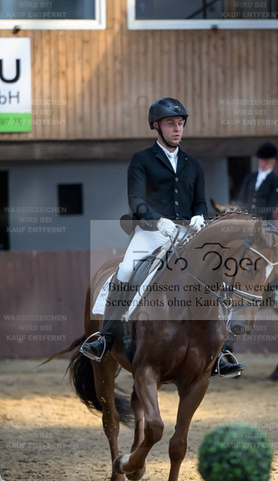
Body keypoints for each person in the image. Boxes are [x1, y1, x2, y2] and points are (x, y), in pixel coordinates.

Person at [81, 97, 244, 377]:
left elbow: (199, 201)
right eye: (171, 124)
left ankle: (221, 351)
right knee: (126, 269)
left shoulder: (193, 164)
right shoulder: (142, 160)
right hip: (152, 232)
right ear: (156, 126)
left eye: (180, 123)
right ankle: (105, 337)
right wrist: (158, 221)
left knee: (215, 275)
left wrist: (199, 216)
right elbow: (136, 200)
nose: (177, 129)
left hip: (188, 233)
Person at [237, 141, 278, 220]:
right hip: (246, 219)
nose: (262, 162)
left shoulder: (275, 181)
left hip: (265, 220)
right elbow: (241, 199)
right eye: (261, 159)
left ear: (272, 161)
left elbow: (271, 206)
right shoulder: (250, 177)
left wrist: (256, 218)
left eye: (266, 160)